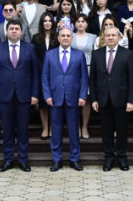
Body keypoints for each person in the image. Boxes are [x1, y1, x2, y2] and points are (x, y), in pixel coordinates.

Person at [0, 20, 40, 172]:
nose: (14, 31)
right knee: (8, 130)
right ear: (6, 31)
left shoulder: (29, 48)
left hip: (24, 95)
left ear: (21, 31)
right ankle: (8, 160)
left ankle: (23, 160)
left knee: (23, 129)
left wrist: (35, 94)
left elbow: (36, 73)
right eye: (11, 29)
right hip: (4, 95)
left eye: (17, 29)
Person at [41, 28, 89, 172]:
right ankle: (57, 160)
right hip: (55, 98)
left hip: (73, 98)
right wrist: (47, 95)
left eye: (68, 36)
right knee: (56, 130)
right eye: (63, 36)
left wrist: (82, 95)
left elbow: (84, 78)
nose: (66, 38)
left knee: (74, 130)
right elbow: (45, 77)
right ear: (59, 37)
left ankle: (74, 159)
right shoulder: (49, 55)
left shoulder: (79, 55)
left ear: (72, 38)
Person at [71, 14, 97, 139]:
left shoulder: (93, 37)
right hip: (73, 70)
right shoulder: (69, 35)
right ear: (74, 23)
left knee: (86, 99)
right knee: (75, 98)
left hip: (89, 68)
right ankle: (76, 126)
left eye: (83, 21)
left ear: (87, 24)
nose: (80, 23)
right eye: (78, 21)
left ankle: (85, 126)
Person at [34, 13, 58, 140]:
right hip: (40, 73)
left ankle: (53, 128)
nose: (47, 23)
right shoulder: (36, 37)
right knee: (43, 103)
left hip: (56, 74)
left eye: (50, 20)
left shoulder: (58, 37)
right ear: (42, 23)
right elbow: (34, 57)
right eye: (45, 21)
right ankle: (45, 128)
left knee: (53, 102)